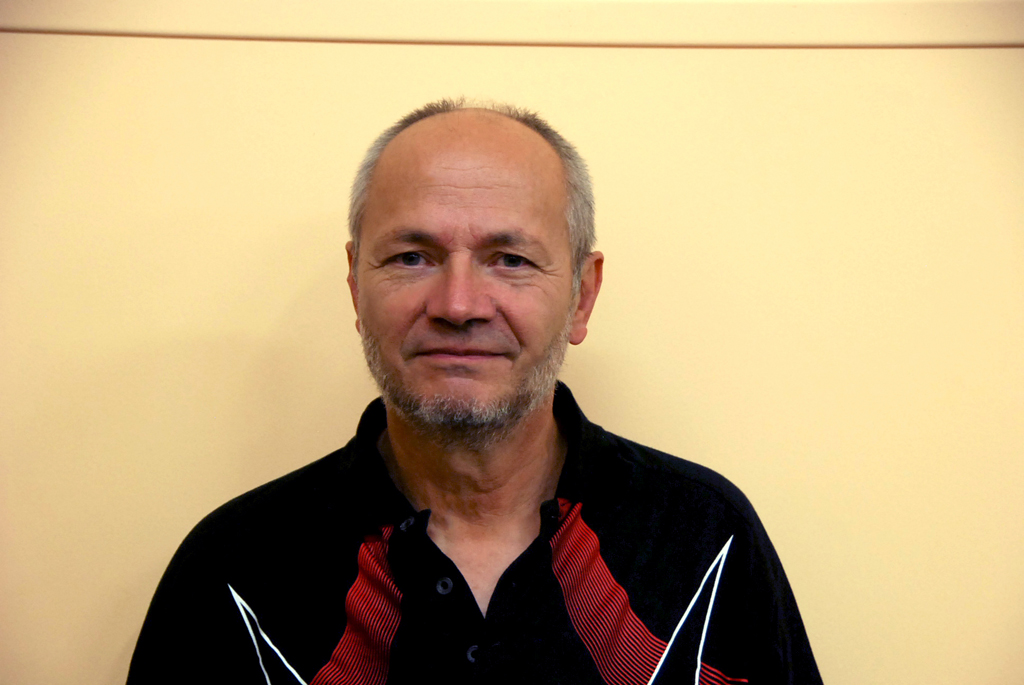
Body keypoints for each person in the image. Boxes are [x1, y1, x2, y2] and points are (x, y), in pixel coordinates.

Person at [127, 99, 822, 685]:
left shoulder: (707, 542)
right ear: (356, 286)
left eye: (510, 260)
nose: (458, 304)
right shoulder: (232, 571)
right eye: (412, 257)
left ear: (582, 296)